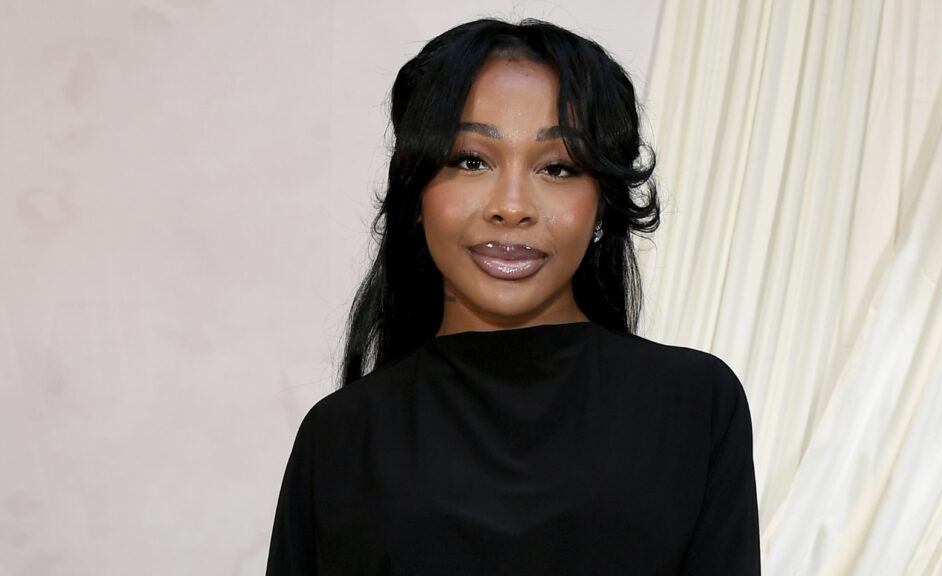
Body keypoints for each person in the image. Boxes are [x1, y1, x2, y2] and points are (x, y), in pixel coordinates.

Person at [266, 18, 760, 575]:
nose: (512, 206)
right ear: (416, 189)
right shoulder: (339, 437)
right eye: (471, 160)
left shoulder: (695, 406)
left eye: (558, 167)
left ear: (602, 204)